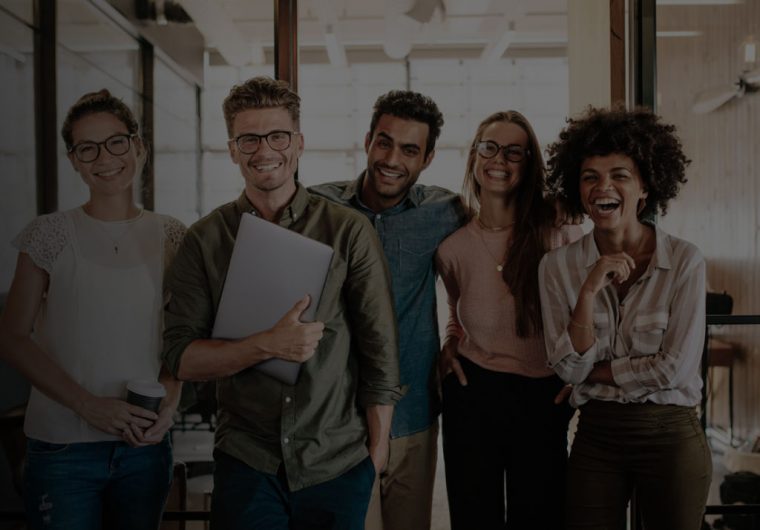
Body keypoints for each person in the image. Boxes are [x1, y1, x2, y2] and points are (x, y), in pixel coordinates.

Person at [161, 76, 402, 530]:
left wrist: (377, 451)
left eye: (277, 136)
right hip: (247, 461)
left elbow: (380, 351)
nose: (264, 150)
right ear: (232, 149)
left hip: (337, 460)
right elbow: (181, 358)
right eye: (248, 138)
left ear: (299, 143)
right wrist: (267, 345)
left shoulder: (348, 231)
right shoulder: (205, 240)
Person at [0, 89, 184, 529]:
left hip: (143, 447)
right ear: (74, 160)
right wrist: (87, 405)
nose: (105, 158)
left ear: (137, 146)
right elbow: (11, 337)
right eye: (88, 147)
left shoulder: (172, 235)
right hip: (63, 449)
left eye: (116, 141)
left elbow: (183, 336)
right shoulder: (48, 234)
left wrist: (170, 405)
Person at [539, 105, 711, 530]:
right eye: (590, 177)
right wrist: (590, 287)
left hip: (670, 433)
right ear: (578, 189)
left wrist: (593, 372)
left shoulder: (685, 261)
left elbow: (675, 367)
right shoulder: (557, 267)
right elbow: (563, 366)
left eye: (620, 175)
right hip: (597, 435)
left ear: (645, 187)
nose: (604, 187)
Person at [310, 90, 466, 530]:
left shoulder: (446, 212)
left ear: (428, 158)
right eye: (384, 142)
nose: (392, 158)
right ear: (367, 141)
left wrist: (459, 336)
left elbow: (495, 247)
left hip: (413, 410)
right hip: (337, 418)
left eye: (409, 149)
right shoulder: (319, 208)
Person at [435, 110, 580, 530]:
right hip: (473, 392)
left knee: (539, 516)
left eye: (514, 152)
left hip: (544, 395)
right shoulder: (452, 248)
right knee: (474, 517)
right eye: (490, 147)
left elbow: (595, 307)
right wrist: (449, 343)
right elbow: (455, 309)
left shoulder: (560, 230)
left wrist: (583, 372)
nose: (500, 159)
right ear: (475, 158)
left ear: (530, 163)